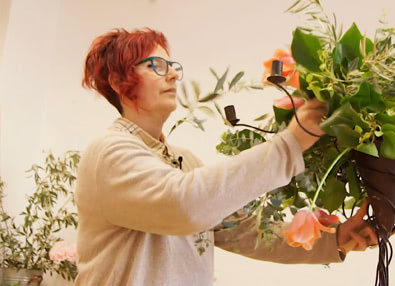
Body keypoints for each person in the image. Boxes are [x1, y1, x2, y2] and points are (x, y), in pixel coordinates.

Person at [75, 28, 378, 285]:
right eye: (155, 65)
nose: (174, 75)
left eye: (172, 65)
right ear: (117, 81)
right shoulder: (109, 153)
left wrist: (334, 238)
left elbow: (245, 231)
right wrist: (291, 144)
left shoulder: (185, 161)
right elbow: (185, 204)